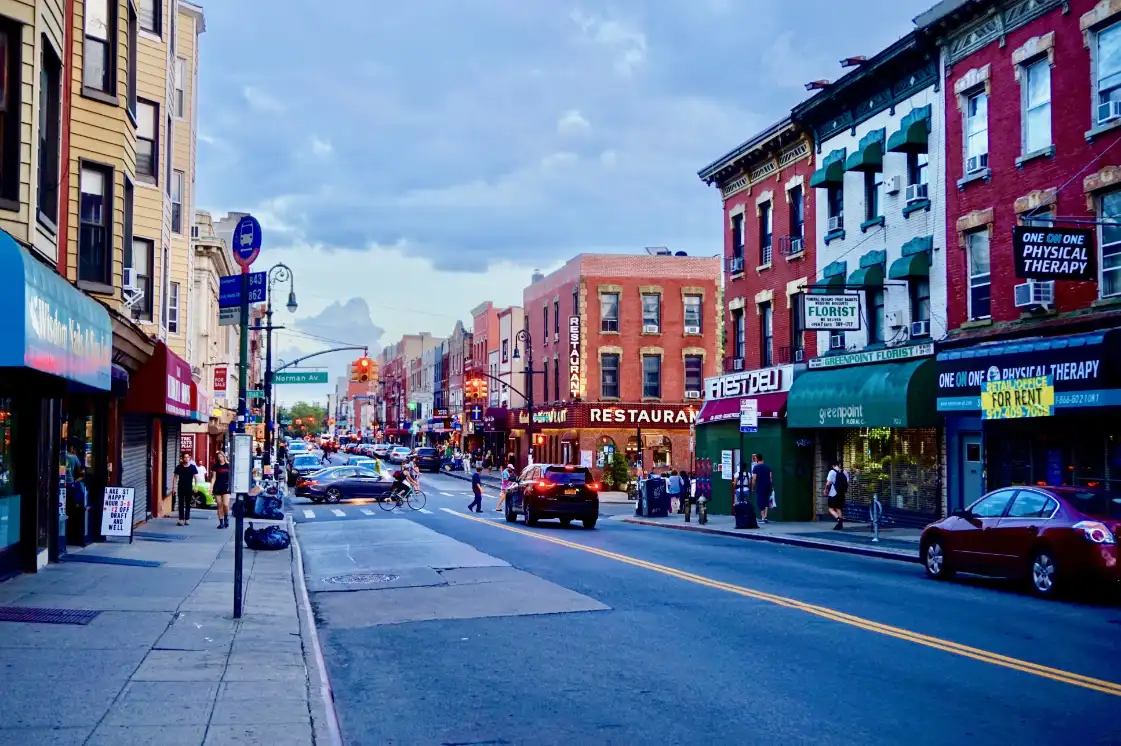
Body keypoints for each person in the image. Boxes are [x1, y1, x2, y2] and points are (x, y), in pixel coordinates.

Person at [172, 452, 198, 526]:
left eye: (188, 457)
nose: (186, 458)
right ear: (182, 458)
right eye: (185, 457)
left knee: (188, 503)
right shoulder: (179, 467)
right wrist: (173, 487)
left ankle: (187, 519)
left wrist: (196, 486)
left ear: (189, 458)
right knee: (180, 503)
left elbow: (196, 478)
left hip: (189, 487)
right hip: (181, 487)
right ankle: (181, 519)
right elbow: (175, 477)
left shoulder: (192, 467)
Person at [825, 459, 849, 530]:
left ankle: (839, 519)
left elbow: (828, 483)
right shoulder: (845, 472)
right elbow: (847, 482)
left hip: (833, 494)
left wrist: (825, 489)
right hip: (842, 494)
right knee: (839, 508)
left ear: (833, 466)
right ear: (839, 465)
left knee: (830, 508)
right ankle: (840, 525)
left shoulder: (832, 472)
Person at [750, 453, 774, 523]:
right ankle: (765, 516)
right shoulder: (768, 467)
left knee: (760, 501)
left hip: (760, 486)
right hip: (768, 486)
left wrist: (752, 487)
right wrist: (771, 486)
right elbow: (770, 478)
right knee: (766, 500)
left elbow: (754, 479)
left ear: (757, 459)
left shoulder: (756, 468)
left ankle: (763, 517)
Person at [210, 451, 231, 529]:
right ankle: (221, 523)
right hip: (218, 487)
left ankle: (226, 517)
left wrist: (230, 486)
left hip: (226, 487)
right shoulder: (215, 466)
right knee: (219, 505)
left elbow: (231, 477)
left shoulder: (228, 465)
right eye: (218, 457)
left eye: (221, 456)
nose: (220, 458)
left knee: (225, 504)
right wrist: (211, 487)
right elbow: (214, 478)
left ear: (224, 457)